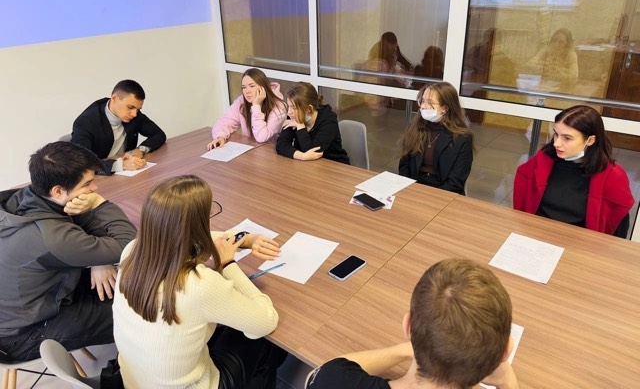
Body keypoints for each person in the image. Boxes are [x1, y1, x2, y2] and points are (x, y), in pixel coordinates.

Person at [113, 174, 286, 389]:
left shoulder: (132, 251)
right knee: (264, 337)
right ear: (197, 225)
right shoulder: (199, 284)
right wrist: (227, 264)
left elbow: (193, 235)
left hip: (136, 380)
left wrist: (246, 238)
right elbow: (266, 322)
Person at [0, 141, 137, 362]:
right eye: (88, 184)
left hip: (30, 303)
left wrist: (100, 259)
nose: (94, 189)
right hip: (23, 334)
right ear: (57, 191)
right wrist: (99, 204)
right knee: (141, 309)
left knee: (133, 285)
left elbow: (78, 219)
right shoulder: (50, 237)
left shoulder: (23, 196)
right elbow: (129, 244)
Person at [306, 258, 518, 389]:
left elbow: (317, 375)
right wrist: (508, 383)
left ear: (408, 327)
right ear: (505, 351)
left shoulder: (332, 381)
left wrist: (404, 350)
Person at [514, 105, 634, 237]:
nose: (556, 143)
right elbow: (522, 208)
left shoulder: (613, 176)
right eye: (556, 134)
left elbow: (617, 229)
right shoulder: (543, 159)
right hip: (535, 234)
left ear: (590, 140)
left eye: (567, 138)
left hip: (579, 241)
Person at [72, 79, 166, 174]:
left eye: (138, 109)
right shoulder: (85, 122)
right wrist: (122, 165)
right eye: (130, 107)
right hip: (99, 176)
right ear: (114, 98)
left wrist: (139, 150)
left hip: (127, 174)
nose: (134, 114)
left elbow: (159, 134)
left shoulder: (134, 115)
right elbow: (83, 162)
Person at [399, 82, 473, 195]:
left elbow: (456, 182)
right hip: (414, 186)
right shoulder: (414, 128)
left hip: (443, 191)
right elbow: (404, 165)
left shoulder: (462, 138)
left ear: (445, 108)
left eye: (430, 102)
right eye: (423, 101)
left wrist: (434, 197)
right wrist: (409, 189)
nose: (423, 106)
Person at [208, 68, 287, 150]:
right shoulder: (241, 101)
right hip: (251, 149)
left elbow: (261, 137)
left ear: (263, 87)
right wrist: (220, 136)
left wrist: (256, 105)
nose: (247, 91)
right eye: (244, 87)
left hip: (271, 153)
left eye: (252, 86)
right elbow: (225, 122)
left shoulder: (279, 107)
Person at [276, 82, 350, 164]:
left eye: (294, 107)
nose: (289, 112)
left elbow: (312, 151)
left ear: (309, 109)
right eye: (289, 106)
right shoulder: (294, 115)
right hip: (308, 165)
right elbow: (281, 144)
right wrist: (301, 156)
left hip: (334, 165)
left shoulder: (329, 121)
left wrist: (300, 125)